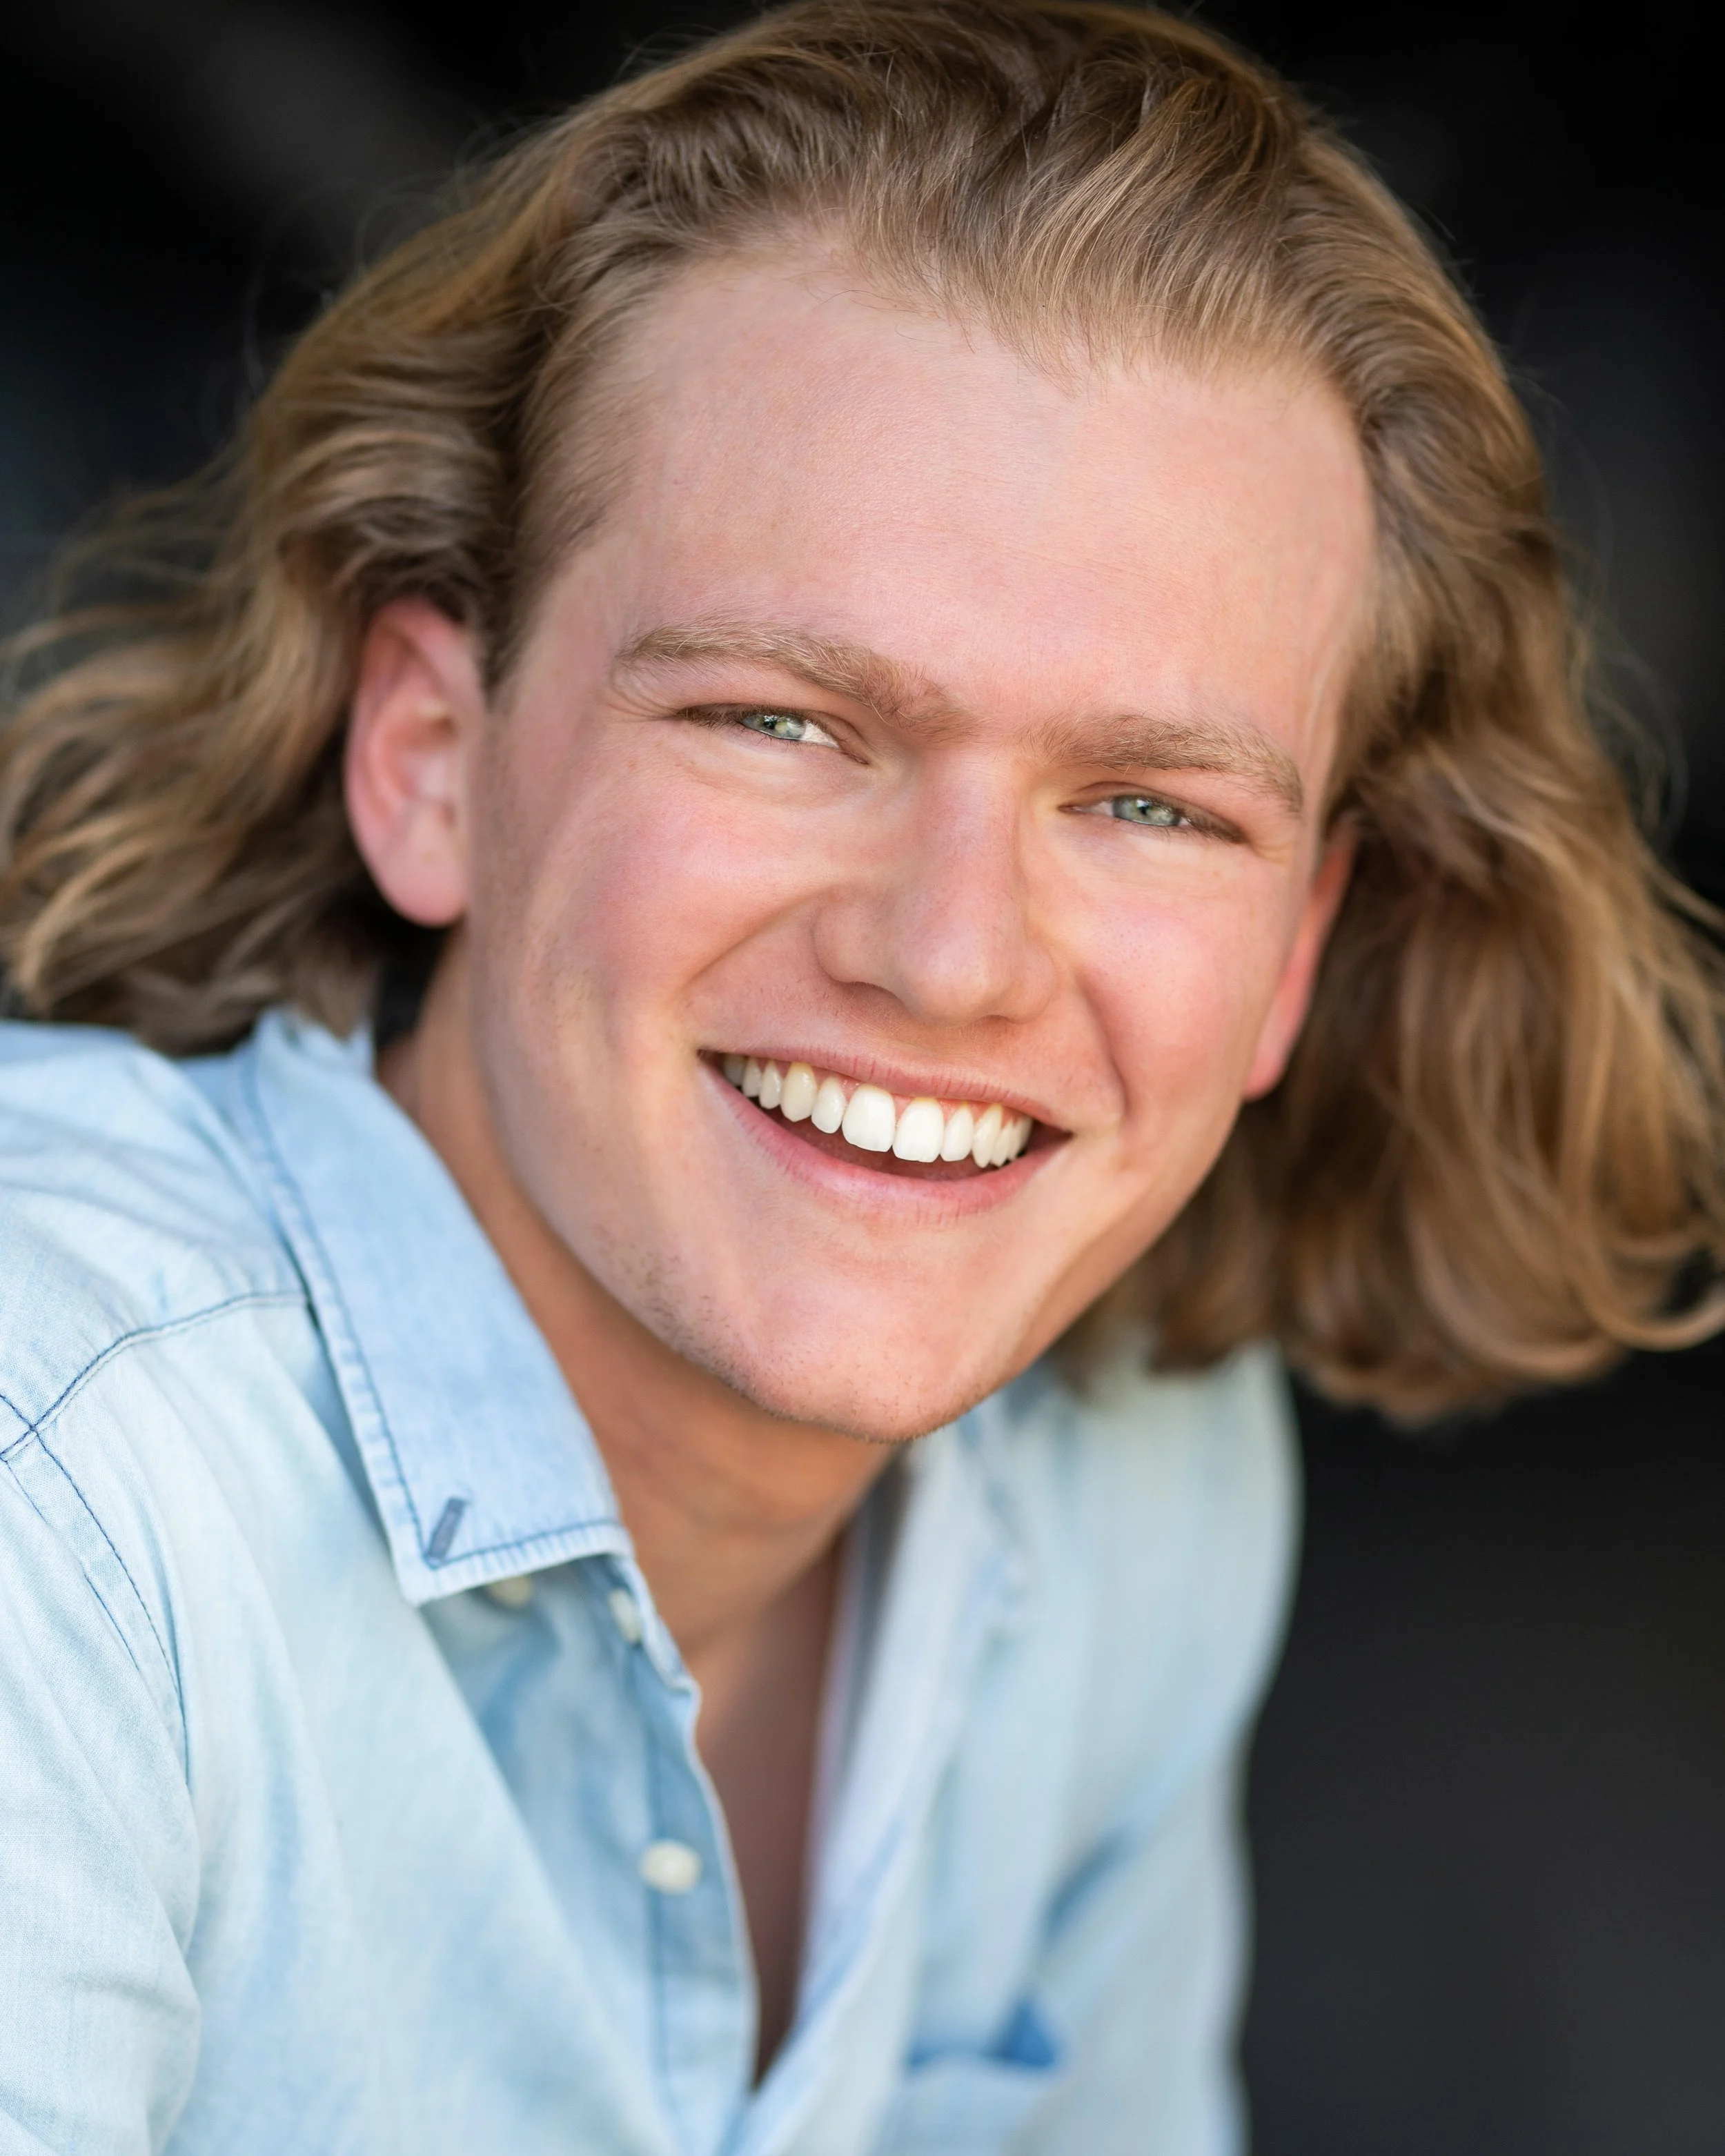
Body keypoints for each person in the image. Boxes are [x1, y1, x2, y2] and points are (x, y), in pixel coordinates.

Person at [1, 2, 1720, 2149]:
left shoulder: (1136, 1479)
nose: (947, 954)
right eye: (782, 723)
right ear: (430, 759)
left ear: (1294, 948)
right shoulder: (52, 1518)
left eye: (1152, 806)